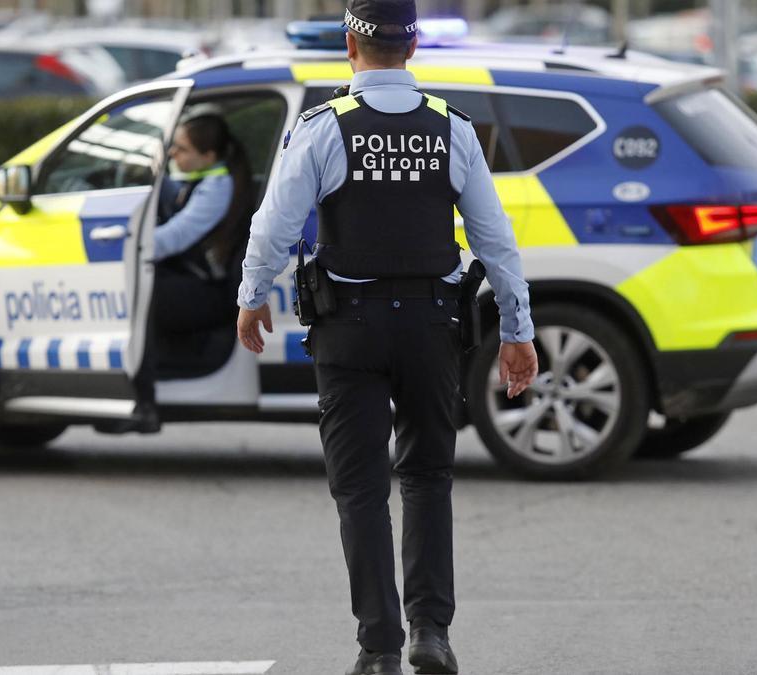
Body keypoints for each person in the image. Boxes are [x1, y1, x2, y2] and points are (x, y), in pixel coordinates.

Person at [235, 1, 539, 673]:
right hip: (433, 325)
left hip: (349, 329)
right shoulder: (451, 127)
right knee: (428, 475)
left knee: (361, 489)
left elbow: (273, 227)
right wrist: (518, 330)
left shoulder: (324, 127)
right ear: (414, 45)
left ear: (351, 44)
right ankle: (431, 632)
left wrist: (252, 297)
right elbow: (495, 240)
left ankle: (379, 647)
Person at [122, 114, 253, 432]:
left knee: (142, 293)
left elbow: (175, 237)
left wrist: (125, 246)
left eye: (181, 149)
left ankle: (143, 401)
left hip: (211, 293)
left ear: (207, 156)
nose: (172, 154)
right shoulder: (201, 178)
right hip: (197, 283)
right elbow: (169, 193)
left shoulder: (216, 188)